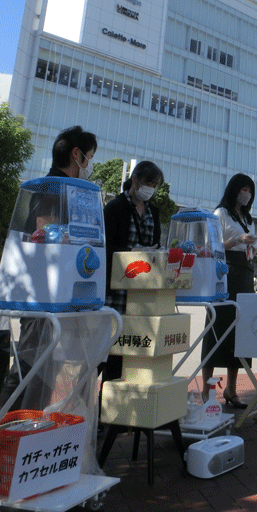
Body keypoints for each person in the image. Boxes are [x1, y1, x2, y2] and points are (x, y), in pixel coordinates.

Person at [0, 126, 98, 410]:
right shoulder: (53, 188)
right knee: (30, 365)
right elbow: (44, 232)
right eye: (89, 157)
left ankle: (28, 430)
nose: (89, 165)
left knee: (44, 369)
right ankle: (1, 436)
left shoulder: (65, 189)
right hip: (43, 292)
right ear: (76, 155)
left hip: (56, 293)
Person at [201, 174, 257, 408]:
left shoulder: (247, 218)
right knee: (216, 327)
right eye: (243, 189)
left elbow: (251, 251)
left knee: (240, 332)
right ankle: (205, 392)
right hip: (225, 271)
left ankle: (231, 389)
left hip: (245, 272)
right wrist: (237, 239)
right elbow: (212, 246)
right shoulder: (221, 213)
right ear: (233, 190)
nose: (246, 193)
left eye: (250, 190)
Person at [102, 161, 163, 380]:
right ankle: (99, 399)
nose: (151, 188)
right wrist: (131, 251)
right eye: (148, 182)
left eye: (155, 185)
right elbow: (105, 247)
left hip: (142, 291)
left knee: (132, 350)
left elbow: (155, 246)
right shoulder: (115, 207)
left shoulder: (152, 212)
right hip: (116, 290)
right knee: (110, 348)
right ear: (135, 179)